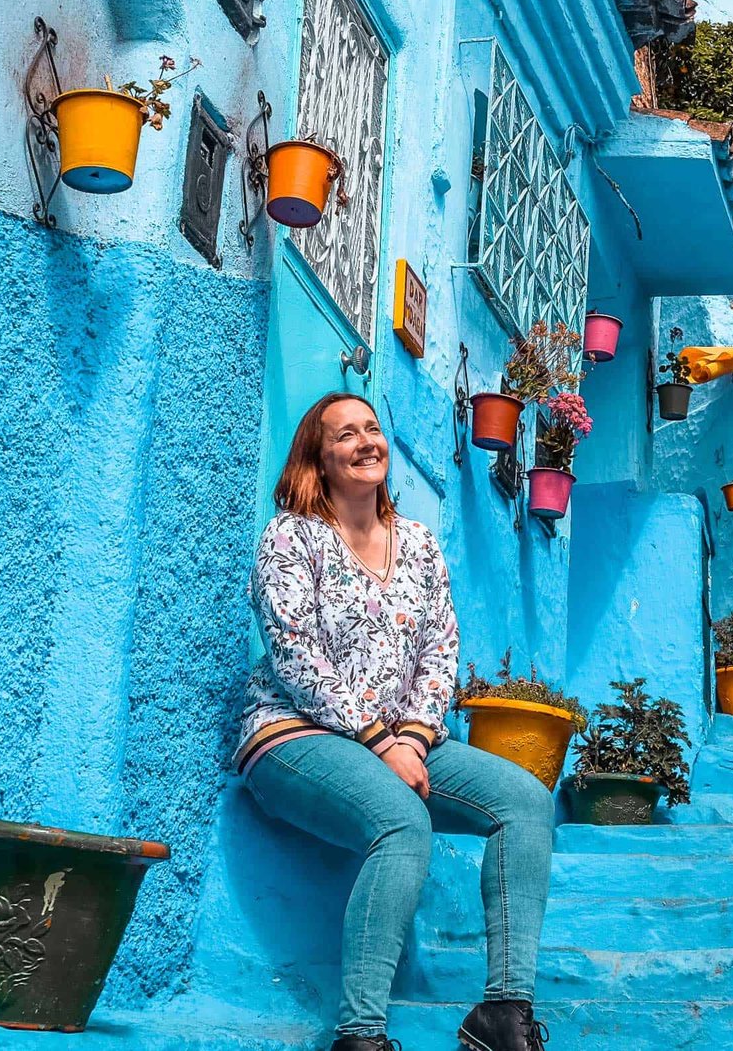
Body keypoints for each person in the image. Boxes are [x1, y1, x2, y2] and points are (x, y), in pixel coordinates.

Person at [234, 392, 554, 1051]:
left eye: (372, 428)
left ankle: (502, 1012)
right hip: (294, 735)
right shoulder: (289, 536)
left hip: (404, 740)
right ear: (318, 458)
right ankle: (360, 1035)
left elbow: (442, 648)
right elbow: (295, 654)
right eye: (344, 434)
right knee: (402, 821)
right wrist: (379, 738)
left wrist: (409, 735)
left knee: (525, 800)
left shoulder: (419, 545)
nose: (365, 442)